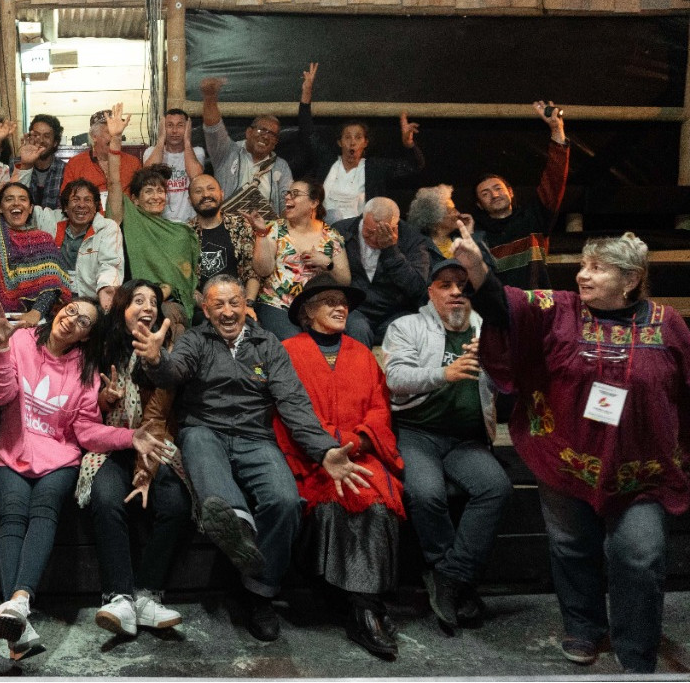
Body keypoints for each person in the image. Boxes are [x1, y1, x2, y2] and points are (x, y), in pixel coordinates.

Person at [451, 224, 689, 673]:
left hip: (643, 471)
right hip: (565, 458)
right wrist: (478, 269)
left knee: (640, 555)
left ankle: (636, 647)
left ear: (631, 279)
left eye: (597, 268)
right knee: (571, 547)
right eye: (582, 265)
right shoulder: (559, 309)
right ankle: (583, 626)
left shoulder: (668, 323)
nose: (582, 275)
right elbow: (506, 306)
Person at [133, 274, 371, 643]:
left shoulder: (268, 343)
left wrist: (324, 449)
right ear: (206, 309)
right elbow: (172, 370)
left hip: (254, 436)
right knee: (213, 484)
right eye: (218, 305)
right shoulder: (195, 339)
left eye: (234, 303)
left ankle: (258, 591)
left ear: (246, 304)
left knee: (286, 501)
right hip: (204, 430)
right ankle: (235, 522)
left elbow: (293, 403)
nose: (228, 312)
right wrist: (155, 359)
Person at [0, 297, 162, 659]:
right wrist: (0, 348)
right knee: (12, 515)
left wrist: (130, 436)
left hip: (60, 459)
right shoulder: (20, 339)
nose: (72, 320)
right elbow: (0, 395)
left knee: (44, 508)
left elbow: (86, 430)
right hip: (12, 451)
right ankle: (19, 616)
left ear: (85, 336)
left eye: (84, 322)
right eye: (71, 311)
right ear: (59, 311)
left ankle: (17, 606)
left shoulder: (85, 371)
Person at [276, 274, 405, 661]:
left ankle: (363, 606)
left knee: (378, 500)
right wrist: (328, 446)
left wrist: (361, 440)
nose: (340, 307)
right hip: (312, 459)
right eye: (330, 301)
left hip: (362, 452)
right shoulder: (287, 351)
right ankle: (362, 609)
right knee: (337, 497)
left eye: (343, 302)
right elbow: (285, 413)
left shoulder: (362, 353)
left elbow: (381, 409)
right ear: (307, 312)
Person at [382, 259, 512, 636]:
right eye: (446, 285)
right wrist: (444, 373)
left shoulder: (486, 330)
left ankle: (450, 579)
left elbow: (511, 380)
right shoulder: (407, 326)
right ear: (431, 291)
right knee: (426, 493)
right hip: (416, 432)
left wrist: (497, 358)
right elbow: (395, 378)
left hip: (467, 439)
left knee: (497, 488)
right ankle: (453, 577)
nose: (456, 292)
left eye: (463, 285)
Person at [85, 280, 190, 637]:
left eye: (153, 303)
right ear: (122, 309)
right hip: (112, 443)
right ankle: (119, 597)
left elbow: (158, 418)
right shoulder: (100, 347)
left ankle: (146, 594)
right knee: (105, 498)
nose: (147, 308)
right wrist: (105, 400)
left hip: (153, 442)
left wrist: (145, 473)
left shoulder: (167, 353)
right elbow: (86, 411)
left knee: (174, 502)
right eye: (138, 301)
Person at [8, 124, 125, 309]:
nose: (81, 205)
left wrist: (106, 293)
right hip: (47, 303)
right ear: (65, 206)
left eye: (88, 200)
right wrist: (26, 165)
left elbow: (110, 266)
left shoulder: (107, 228)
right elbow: (17, 203)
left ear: (96, 206)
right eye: (75, 200)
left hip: (91, 302)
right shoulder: (50, 220)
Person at [102, 104, 201, 321]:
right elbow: (114, 181)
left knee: (173, 314)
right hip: (134, 298)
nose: (156, 196)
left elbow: (184, 280)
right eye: (148, 191)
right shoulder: (128, 216)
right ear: (135, 199)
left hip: (172, 302)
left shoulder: (181, 232)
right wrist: (116, 138)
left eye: (160, 191)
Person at [0, 122, 72, 325]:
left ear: (31, 207)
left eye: (22, 199)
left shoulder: (43, 239)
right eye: (8, 199)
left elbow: (52, 283)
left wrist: (36, 313)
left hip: (34, 319)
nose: (16, 203)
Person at [299, 63, 424, 223]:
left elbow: (415, 166)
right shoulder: (327, 161)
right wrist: (306, 93)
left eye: (358, 137)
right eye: (347, 137)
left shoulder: (375, 169)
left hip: (360, 233)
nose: (352, 142)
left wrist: (408, 144)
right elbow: (307, 133)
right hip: (323, 229)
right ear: (339, 142)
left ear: (365, 143)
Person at [470, 101, 570, 289]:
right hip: (500, 313)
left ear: (510, 191)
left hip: (537, 308)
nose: (494, 194)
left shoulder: (533, 218)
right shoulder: (478, 235)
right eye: (485, 193)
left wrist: (557, 129)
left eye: (498, 188)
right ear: (479, 205)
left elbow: (554, 180)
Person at [251, 177, 354, 342]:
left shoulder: (331, 236)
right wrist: (261, 235)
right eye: (287, 193)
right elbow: (263, 269)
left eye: (295, 194)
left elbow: (345, 280)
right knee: (298, 342)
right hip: (278, 305)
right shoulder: (274, 228)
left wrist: (326, 263)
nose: (287, 197)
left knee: (349, 332)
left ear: (314, 203)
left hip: (318, 308)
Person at [333, 197, 431, 346]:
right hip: (354, 308)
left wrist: (391, 251)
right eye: (369, 232)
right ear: (363, 218)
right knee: (358, 328)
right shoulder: (341, 230)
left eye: (383, 232)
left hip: (394, 311)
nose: (375, 239)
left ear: (395, 227)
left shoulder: (412, 239)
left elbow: (417, 289)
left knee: (406, 328)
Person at [198, 75, 294, 206]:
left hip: (266, 225)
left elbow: (287, 204)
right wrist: (210, 97)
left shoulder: (281, 166)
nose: (265, 136)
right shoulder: (227, 152)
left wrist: (282, 227)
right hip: (228, 224)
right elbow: (213, 128)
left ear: (275, 143)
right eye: (261, 130)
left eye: (272, 134)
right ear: (248, 132)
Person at [188, 174, 258, 312]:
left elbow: (252, 273)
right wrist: (211, 308)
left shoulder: (240, 226)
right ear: (189, 200)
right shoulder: (186, 234)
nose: (206, 194)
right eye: (198, 191)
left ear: (222, 193)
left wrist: (247, 305)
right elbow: (186, 284)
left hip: (241, 307)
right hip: (203, 310)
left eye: (211, 188)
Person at [142, 108, 205, 222]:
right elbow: (148, 176)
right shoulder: (151, 152)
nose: (174, 131)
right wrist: (161, 139)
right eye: (169, 125)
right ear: (163, 128)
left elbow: (197, 178)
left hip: (189, 221)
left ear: (187, 128)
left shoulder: (197, 152)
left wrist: (187, 140)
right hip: (160, 221)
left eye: (180, 126)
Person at [62, 109, 142, 198]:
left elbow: (142, 197)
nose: (115, 137)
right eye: (110, 132)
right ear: (94, 136)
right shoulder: (75, 164)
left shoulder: (133, 163)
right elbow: (66, 199)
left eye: (118, 132)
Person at [11, 114, 67, 209]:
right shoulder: (14, 165)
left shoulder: (65, 170)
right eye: (36, 135)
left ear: (55, 142)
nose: (40, 140)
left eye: (46, 136)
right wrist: (26, 165)